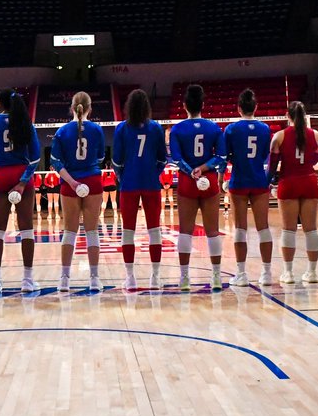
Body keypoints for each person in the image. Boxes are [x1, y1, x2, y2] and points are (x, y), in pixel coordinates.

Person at [169, 84, 227, 290]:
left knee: (185, 231)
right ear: (203, 104)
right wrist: (203, 168)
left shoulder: (177, 129)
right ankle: (217, 276)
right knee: (212, 231)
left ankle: (184, 278)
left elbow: (176, 158)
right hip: (209, 181)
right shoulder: (213, 128)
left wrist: (191, 170)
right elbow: (221, 157)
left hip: (187, 181)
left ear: (184, 106)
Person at [0, 89, 41, 294]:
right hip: (21, 173)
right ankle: (27, 280)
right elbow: (35, 158)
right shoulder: (26, 123)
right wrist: (23, 182)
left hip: (0, 175)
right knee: (26, 229)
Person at [112, 88, 167, 289]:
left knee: (128, 231)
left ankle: (130, 277)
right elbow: (163, 159)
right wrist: (153, 172)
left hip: (129, 184)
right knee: (154, 230)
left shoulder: (121, 128)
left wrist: (122, 177)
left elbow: (116, 161)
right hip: (151, 183)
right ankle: (156, 276)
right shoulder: (155, 128)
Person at [51, 91, 106, 292]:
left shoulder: (62, 131)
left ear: (72, 108)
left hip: (69, 183)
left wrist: (73, 182)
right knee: (92, 232)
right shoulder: (97, 130)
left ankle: (64, 279)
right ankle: (94, 278)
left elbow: (55, 162)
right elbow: (100, 157)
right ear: (89, 109)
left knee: (69, 232)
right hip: (92, 180)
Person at [223, 88, 274, 287]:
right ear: (256, 107)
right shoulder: (264, 128)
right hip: (259, 180)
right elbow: (263, 155)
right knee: (264, 228)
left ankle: (242, 274)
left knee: (240, 229)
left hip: (240, 180)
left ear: (238, 108)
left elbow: (226, 155)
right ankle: (267, 273)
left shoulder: (232, 129)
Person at [268, 101, 318, 286]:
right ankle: (312, 272)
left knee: (288, 229)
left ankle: (288, 273)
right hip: (309, 181)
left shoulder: (280, 136)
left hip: (288, 182)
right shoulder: (315, 135)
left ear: (287, 116)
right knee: (311, 229)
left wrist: (269, 182)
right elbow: (314, 159)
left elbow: (273, 165)